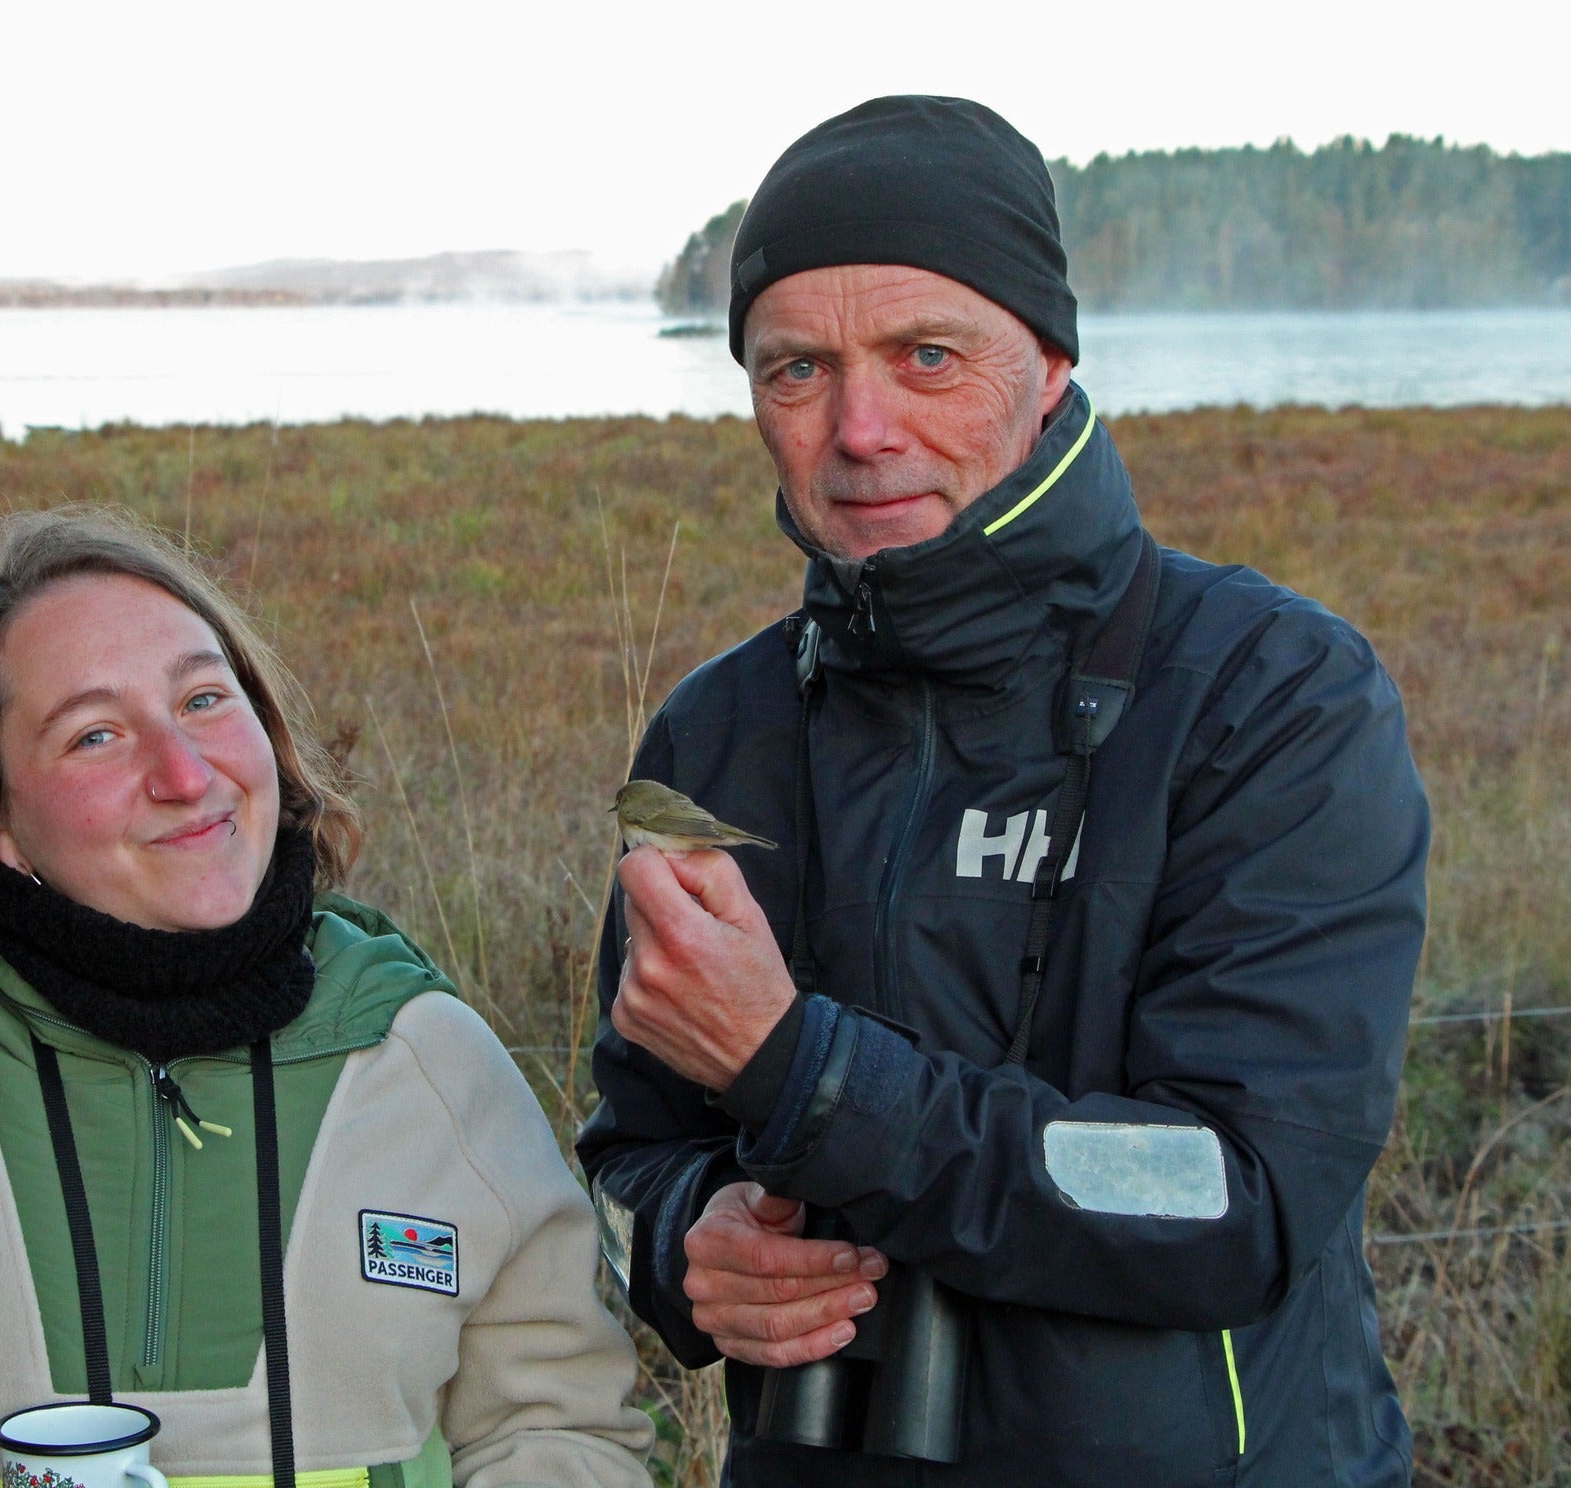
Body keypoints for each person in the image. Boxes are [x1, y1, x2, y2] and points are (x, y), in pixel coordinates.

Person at [578, 96, 1427, 1487]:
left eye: (927, 356)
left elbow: (1238, 1196)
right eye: (796, 369)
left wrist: (806, 1076)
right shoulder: (713, 736)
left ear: (1046, 361)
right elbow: (625, 1158)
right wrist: (689, 1245)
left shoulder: (1273, 693)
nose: (861, 429)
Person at [0, 508, 653, 1488]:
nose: (186, 775)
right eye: (95, 733)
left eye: (202, 700)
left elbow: (565, 1437)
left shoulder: (430, 1064)